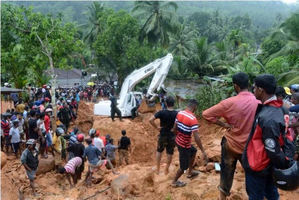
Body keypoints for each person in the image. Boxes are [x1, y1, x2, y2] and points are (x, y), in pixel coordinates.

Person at [202, 72, 259, 200]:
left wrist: (224, 124)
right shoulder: (259, 102)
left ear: (235, 86)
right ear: (248, 84)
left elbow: (206, 114)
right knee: (251, 173)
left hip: (231, 144)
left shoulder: (229, 102)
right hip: (249, 146)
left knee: (226, 171)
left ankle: (222, 197)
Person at [242, 74, 293, 200]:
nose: (253, 90)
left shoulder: (267, 117)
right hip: (270, 164)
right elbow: (287, 136)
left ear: (260, 90)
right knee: (271, 193)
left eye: (254, 88)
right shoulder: (281, 109)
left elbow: (272, 147)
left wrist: (283, 163)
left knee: (256, 196)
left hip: (260, 164)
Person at [171, 99, 208, 187]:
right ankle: (174, 181)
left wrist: (177, 137)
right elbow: (196, 137)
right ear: (195, 107)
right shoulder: (192, 119)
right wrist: (203, 151)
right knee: (183, 166)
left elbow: (174, 128)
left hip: (179, 141)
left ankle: (190, 171)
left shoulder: (180, 113)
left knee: (193, 151)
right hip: (184, 145)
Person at [149, 96, 178, 175]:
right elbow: (180, 123)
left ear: (166, 103)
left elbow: (150, 119)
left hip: (163, 134)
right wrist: (175, 129)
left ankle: (158, 169)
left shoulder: (161, 112)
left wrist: (156, 127)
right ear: (173, 104)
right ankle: (166, 169)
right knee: (170, 153)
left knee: (159, 151)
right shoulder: (177, 113)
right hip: (172, 135)